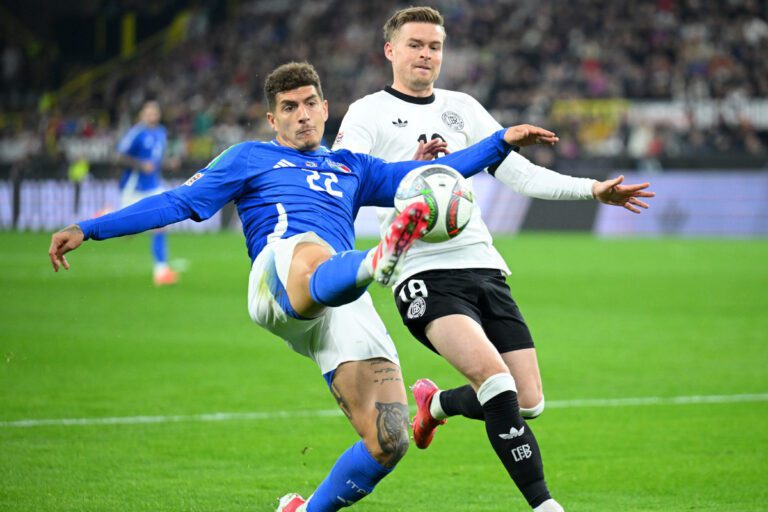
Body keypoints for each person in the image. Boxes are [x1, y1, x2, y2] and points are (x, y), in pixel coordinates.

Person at [48, 62, 552, 512]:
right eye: (289, 108)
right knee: (312, 248)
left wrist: (500, 142)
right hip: (280, 276)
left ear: (326, 108)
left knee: (390, 437)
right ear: (273, 119)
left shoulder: (351, 167)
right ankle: (378, 257)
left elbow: (423, 173)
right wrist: (90, 228)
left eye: (310, 103)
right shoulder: (249, 158)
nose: (303, 115)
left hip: (341, 300)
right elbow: (180, 203)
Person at [332, 7, 655, 512]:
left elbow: (520, 175)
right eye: (415, 44)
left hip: (483, 264)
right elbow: (345, 185)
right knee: (495, 379)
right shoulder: (366, 113)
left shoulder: (463, 107)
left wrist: (594, 189)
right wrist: (406, 176)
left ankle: (435, 403)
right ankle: (546, 505)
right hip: (421, 272)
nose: (426, 55)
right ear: (390, 50)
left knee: (528, 401)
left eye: (435, 46)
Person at [115, 100, 178, 286]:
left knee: (161, 223)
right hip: (134, 187)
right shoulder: (137, 133)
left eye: (154, 112)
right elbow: (119, 157)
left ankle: (161, 270)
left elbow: (157, 158)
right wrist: (140, 164)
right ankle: (104, 214)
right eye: (148, 112)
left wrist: (168, 163)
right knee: (126, 232)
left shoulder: (161, 133)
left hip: (153, 186)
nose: (152, 115)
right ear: (142, 114)